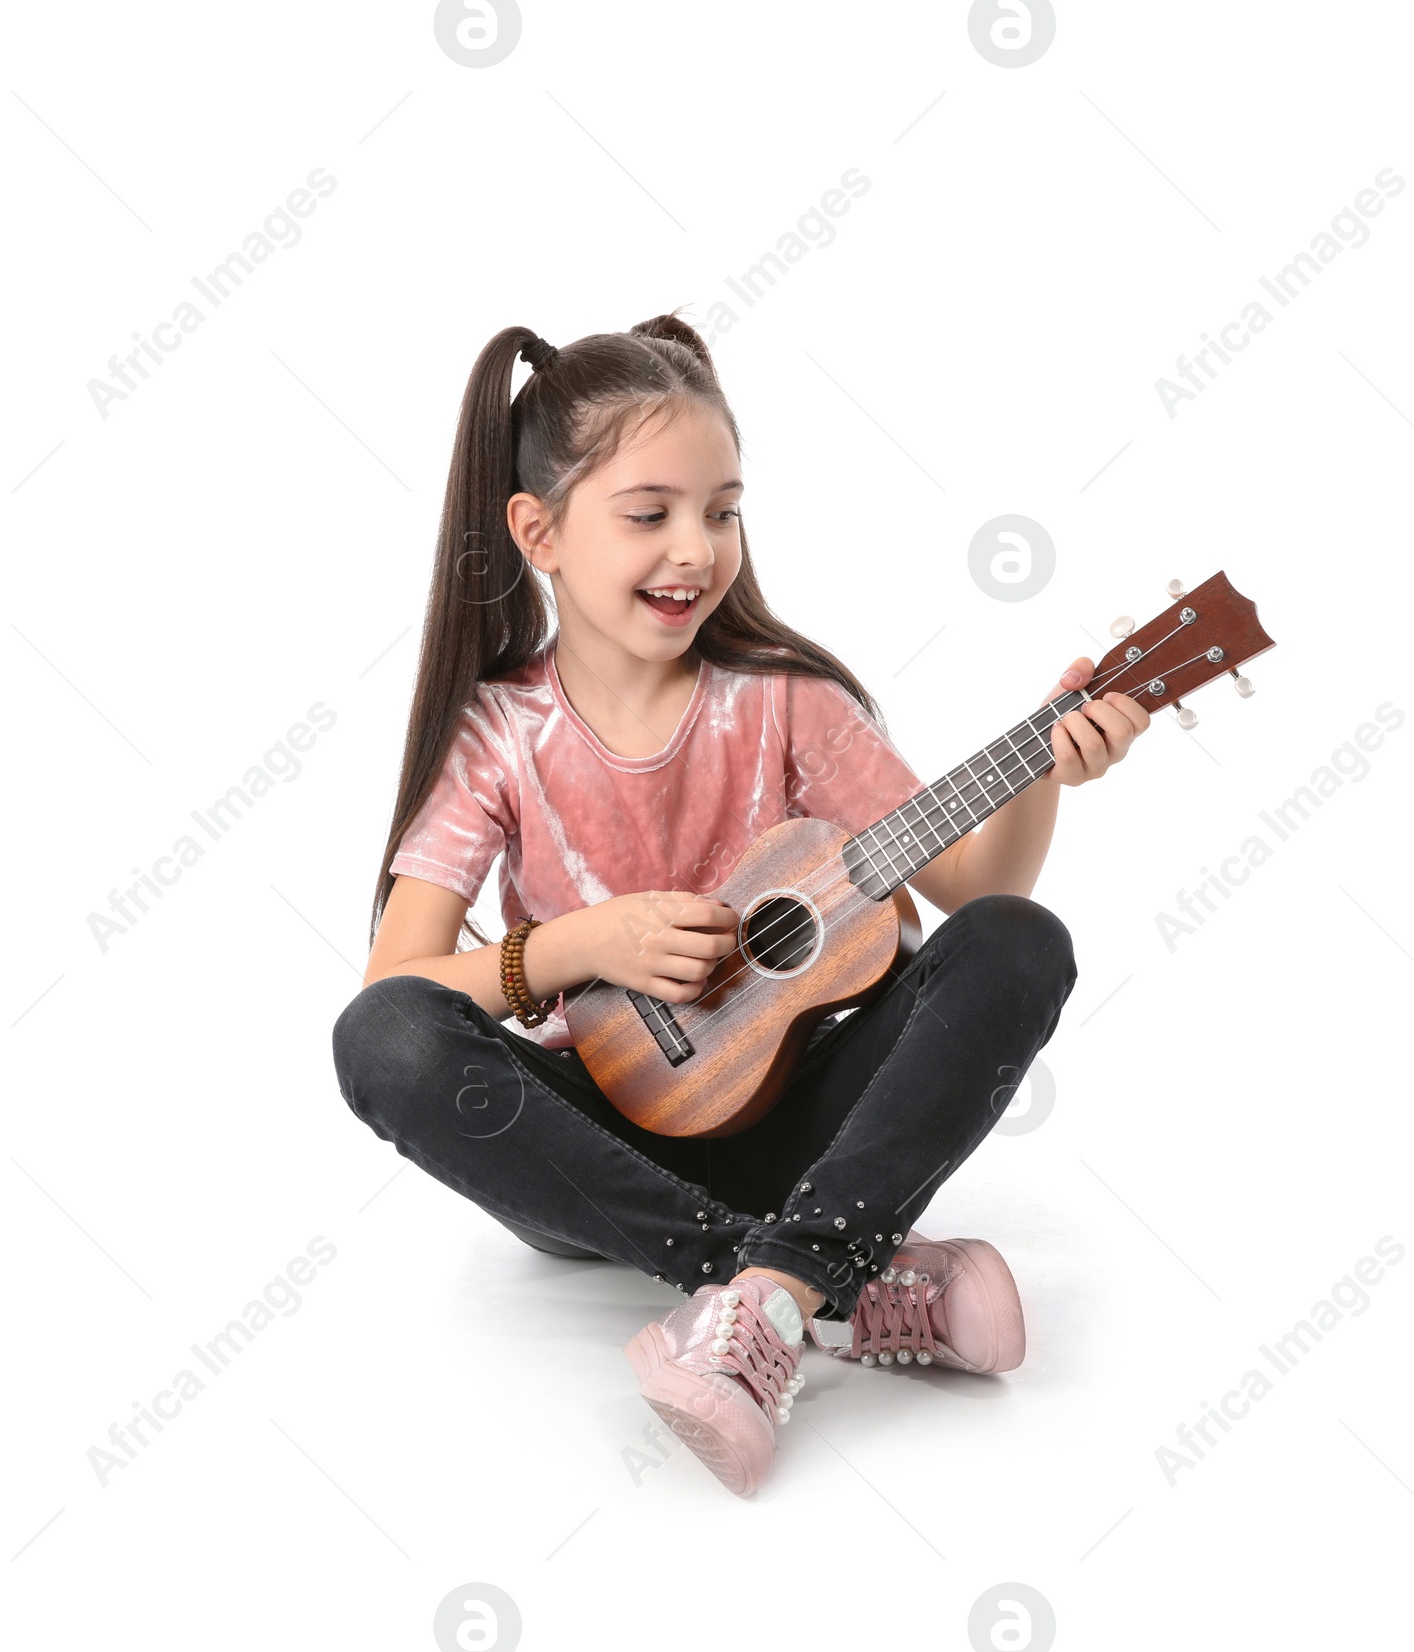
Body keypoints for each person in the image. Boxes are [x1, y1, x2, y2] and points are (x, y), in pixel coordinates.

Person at [330, 311, 1149, 1496]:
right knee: (382, 1041)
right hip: (597, 1149)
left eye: (721, 509)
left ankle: (765, 1298)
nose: (694, 549)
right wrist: (578, 942)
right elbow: (394, 987)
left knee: (1019, 942)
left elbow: (975, 893)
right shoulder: (497, 733)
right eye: (649, 511)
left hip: (797, 1123)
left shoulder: (787, 702)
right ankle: (831, 1280)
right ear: (538, 530)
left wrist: (1046, 773)